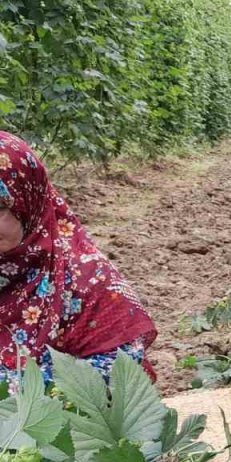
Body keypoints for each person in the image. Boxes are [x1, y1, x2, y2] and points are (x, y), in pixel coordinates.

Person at [0, 131, 157, 391]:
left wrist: (14, 388)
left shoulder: (86, 278)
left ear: (29, 202)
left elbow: (121, 372)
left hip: (57, 426)